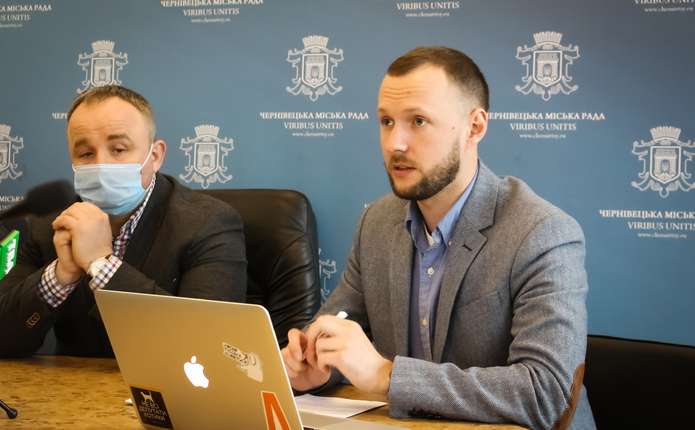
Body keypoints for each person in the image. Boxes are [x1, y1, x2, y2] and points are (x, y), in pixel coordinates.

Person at [281, 47, 595, 429]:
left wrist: (386, 376)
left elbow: (546, 393)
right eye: (386, 121)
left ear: (475, 127)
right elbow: (335, 333)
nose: (395, 144)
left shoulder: (541, 232)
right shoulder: (375, 222)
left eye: (418, 121)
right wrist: (314, 367)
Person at [0, 85, 247, 358]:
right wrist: (60, 275)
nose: (102, 164)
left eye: (118, 149)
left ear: (155, 156)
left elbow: (207, 342)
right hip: (73, 384)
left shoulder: (208, 222)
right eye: (86, 154)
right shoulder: (48, 224)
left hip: (164, 384)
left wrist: (101, 264)